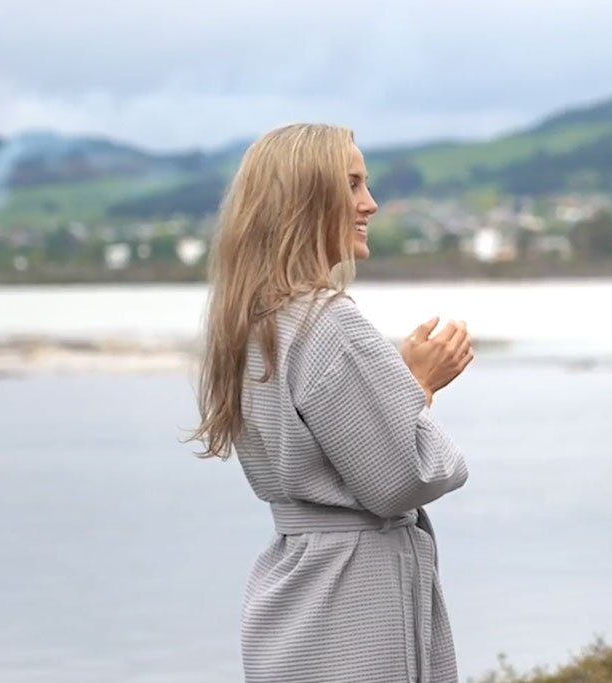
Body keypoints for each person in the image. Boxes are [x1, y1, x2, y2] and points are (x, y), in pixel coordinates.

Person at [189, 123, 474, 683]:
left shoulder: (252, 322)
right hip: (355, 594)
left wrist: (396, 384)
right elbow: (403, 479)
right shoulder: (328, 322)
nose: (370, 203)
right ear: (305, 198)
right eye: (351, 185)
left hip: (294, 587)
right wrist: (417, 386)